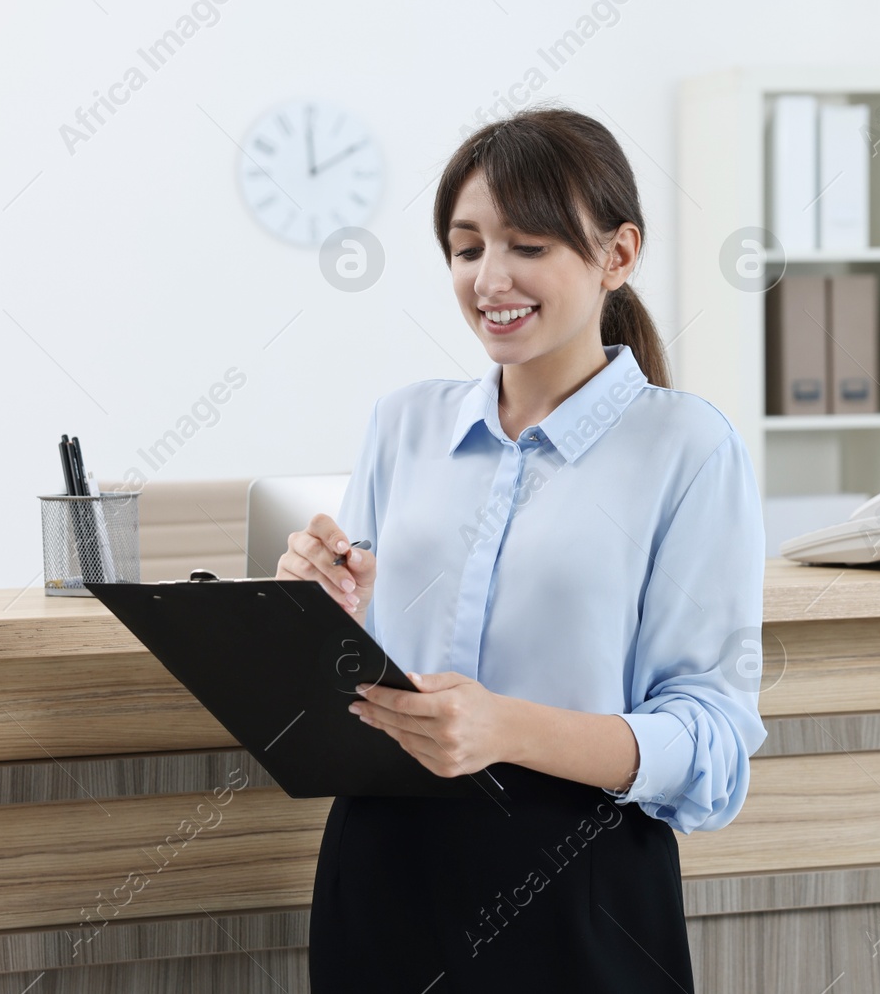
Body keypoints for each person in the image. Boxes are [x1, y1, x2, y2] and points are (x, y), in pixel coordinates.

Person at [277, 105, 768, 992]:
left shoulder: (688, 448)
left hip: (579, 887)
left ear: (618, 254)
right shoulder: (404, 423)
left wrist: (505, 726)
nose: (490, 277)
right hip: (381, 870)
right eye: (468, 249)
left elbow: (713, 742)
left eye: (529, 245)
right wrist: (325, 612)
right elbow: (358, 680)